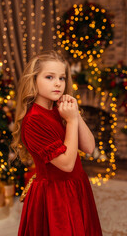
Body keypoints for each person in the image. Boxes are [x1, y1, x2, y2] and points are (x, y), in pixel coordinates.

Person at [11, 50, 103, 236]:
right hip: (54, 195)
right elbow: (67, 164)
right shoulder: (34, 120)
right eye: (49, 77)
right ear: (34, 79)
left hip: (76, 185)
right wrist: (70, 122)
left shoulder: (59, 110)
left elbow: (89, 147)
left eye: (62, 78)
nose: (58, 83)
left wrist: (75, 114)